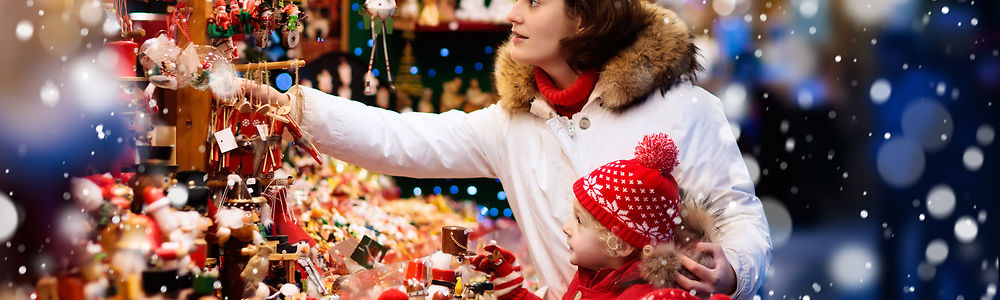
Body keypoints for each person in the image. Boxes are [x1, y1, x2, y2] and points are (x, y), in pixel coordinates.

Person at [240, 0, 771, 297]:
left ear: (584, 16)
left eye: (534, 2)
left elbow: (738, 217)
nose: (512, 13)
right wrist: (292, 104)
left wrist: (733, 268)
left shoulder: (685, 109)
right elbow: (399, 139)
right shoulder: (511, 124)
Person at [466, 133, 733, 300]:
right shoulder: (592, 277)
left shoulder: (641, 295)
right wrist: (513, 289)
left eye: (581, 221)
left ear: (621, 242)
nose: (567, 227)